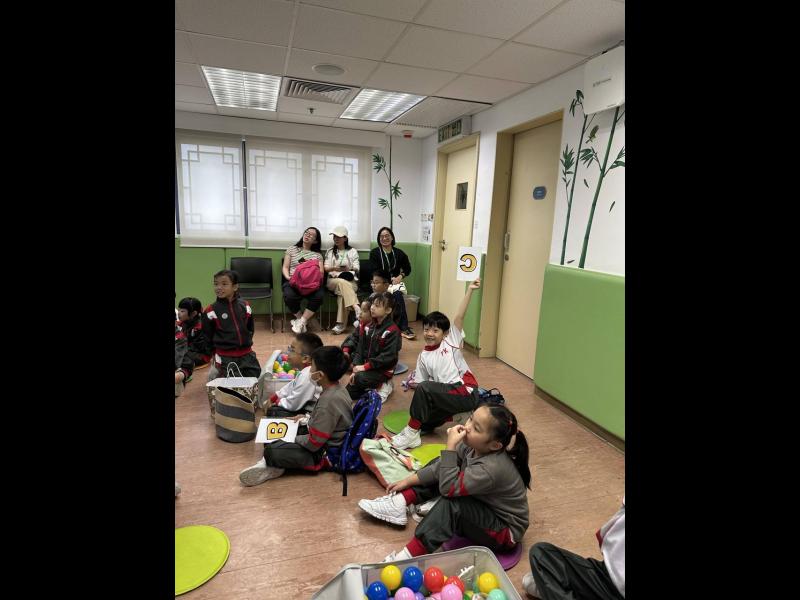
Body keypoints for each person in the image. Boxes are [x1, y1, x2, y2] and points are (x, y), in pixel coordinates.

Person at [358, 403, 531, 563]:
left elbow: (448, 489)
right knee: (444, 463)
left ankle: (404, 559)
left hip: (504, 532)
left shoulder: (491, 469)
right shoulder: (473, 445)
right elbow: (440, 468)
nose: (467, 427)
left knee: (452, 502)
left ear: (494, 445)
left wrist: (451, 446)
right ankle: (400, 503)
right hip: (483, 506)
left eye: (476, 428)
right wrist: (407, 481)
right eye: (471, 419)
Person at [238, 346, 353, 486]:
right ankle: (272, 463)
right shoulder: (336, 389)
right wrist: (305, 418)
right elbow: (327, 421)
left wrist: (290, 437)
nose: (309, 370)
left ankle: (272, 466)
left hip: (324, 452)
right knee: (275, 427)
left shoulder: (328, 401)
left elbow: (314, 443)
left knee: (272, 450)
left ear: (320, 375)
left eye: (312, 367)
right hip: (320, 436)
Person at [390, 279, 482, 450]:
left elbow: (459, 317)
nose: (429, 334)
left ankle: (411, 435)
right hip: (447, 395)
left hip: (466, 392)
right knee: (424, 420)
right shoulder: (423, 356)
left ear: (445, 333)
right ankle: (458, 415)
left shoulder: (451, 341)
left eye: (435, 330)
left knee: (425, 390)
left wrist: (470, 289)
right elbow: (420, 384)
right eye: (426, 329)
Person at [521, 499, 625, 599]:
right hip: (603, 575)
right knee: (540, 555)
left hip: (615, 588)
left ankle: (554, 592)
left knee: (535, 577)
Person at [201, 269, 260, 415]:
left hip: (247, 354)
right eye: (216, 284)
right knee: (229, 386)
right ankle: (230, 413)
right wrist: (212, 355)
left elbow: (250, 328)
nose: (219, 287)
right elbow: (207, 336)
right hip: (225, 356)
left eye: (224, 284)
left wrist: (246, 342)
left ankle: (249, 407)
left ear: (235, 287)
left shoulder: (245, 305)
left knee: (253, 378)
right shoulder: (210, 311)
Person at [346, 291, 401, 401]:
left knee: (360, 378)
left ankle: (385, 384)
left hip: (382, 371)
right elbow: (360, 349)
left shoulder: (393, 331)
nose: (372, 308)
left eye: (377, 306)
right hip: (369, 368)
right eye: (372, 304)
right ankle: (372, 388)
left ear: (388, 310)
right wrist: (355, 369)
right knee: (349, 393)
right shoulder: (369, 326)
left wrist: (364, 367)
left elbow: (388, 357)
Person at [258, 332, 323, 418]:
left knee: (273, 411)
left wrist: (277, 402)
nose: (288, 353)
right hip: (301, 404)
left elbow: (293, 403)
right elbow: (290, 386)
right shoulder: (304, 372)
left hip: (311, 411)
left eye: (292, 350)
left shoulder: (308, 375)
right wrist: (274, 397)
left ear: (305, 358)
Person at [369, 227, 415, 340]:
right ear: (379, 239)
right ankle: (384, 325)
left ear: (392, 238)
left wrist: (400, 276)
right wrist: (387, 281)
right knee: (392, 292)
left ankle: (403, 328)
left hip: (394, 283)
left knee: (397, 294)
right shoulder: (375, 253)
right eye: (382, 236)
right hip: (379, 283)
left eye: (387, 236)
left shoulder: (399, 253)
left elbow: (408, 268)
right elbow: (374, 271)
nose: (384, 238)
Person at [282, 227, 325, 334]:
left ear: (315, 241)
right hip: (293, 281)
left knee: (319, 296)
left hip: (311, 284)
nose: (307, 235)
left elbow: (321, 273)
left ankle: (301, 321)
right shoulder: (292, 249)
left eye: (311, 235)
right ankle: (301, 320)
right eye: (306, 232)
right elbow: (285, 267)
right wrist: (288, 277)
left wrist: (313, 281)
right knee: (289, 296)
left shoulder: (317, 255)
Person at [324, 226, 361, 335]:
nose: (336, 239)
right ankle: (356, 306)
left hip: (350, 281)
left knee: (342, 293)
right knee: (341, 282)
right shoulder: (330, 251)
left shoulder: (352, 251)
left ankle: (340, 325)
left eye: (339, 237)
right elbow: (326, 268)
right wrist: (335, 268)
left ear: (345, 238)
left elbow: (357, 268)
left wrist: (349, 268)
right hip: (333, 281)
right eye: (334, 236)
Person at [370, 269, 414, 340]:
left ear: (386, 285)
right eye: (372, 282)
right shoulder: (372, 297)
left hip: (389, 326)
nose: (373, 285)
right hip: (376, 326)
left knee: (398, 295)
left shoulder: (392, 296)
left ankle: (403, 327)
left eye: (376, 283)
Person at [177, 296, 211, 369]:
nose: (178, 313)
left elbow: (197, 348)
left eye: (182, 311)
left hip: (200, 355)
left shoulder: (201, 327)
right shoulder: (183, 323)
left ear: (193, 313)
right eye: (179, 310)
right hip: (187, 350)